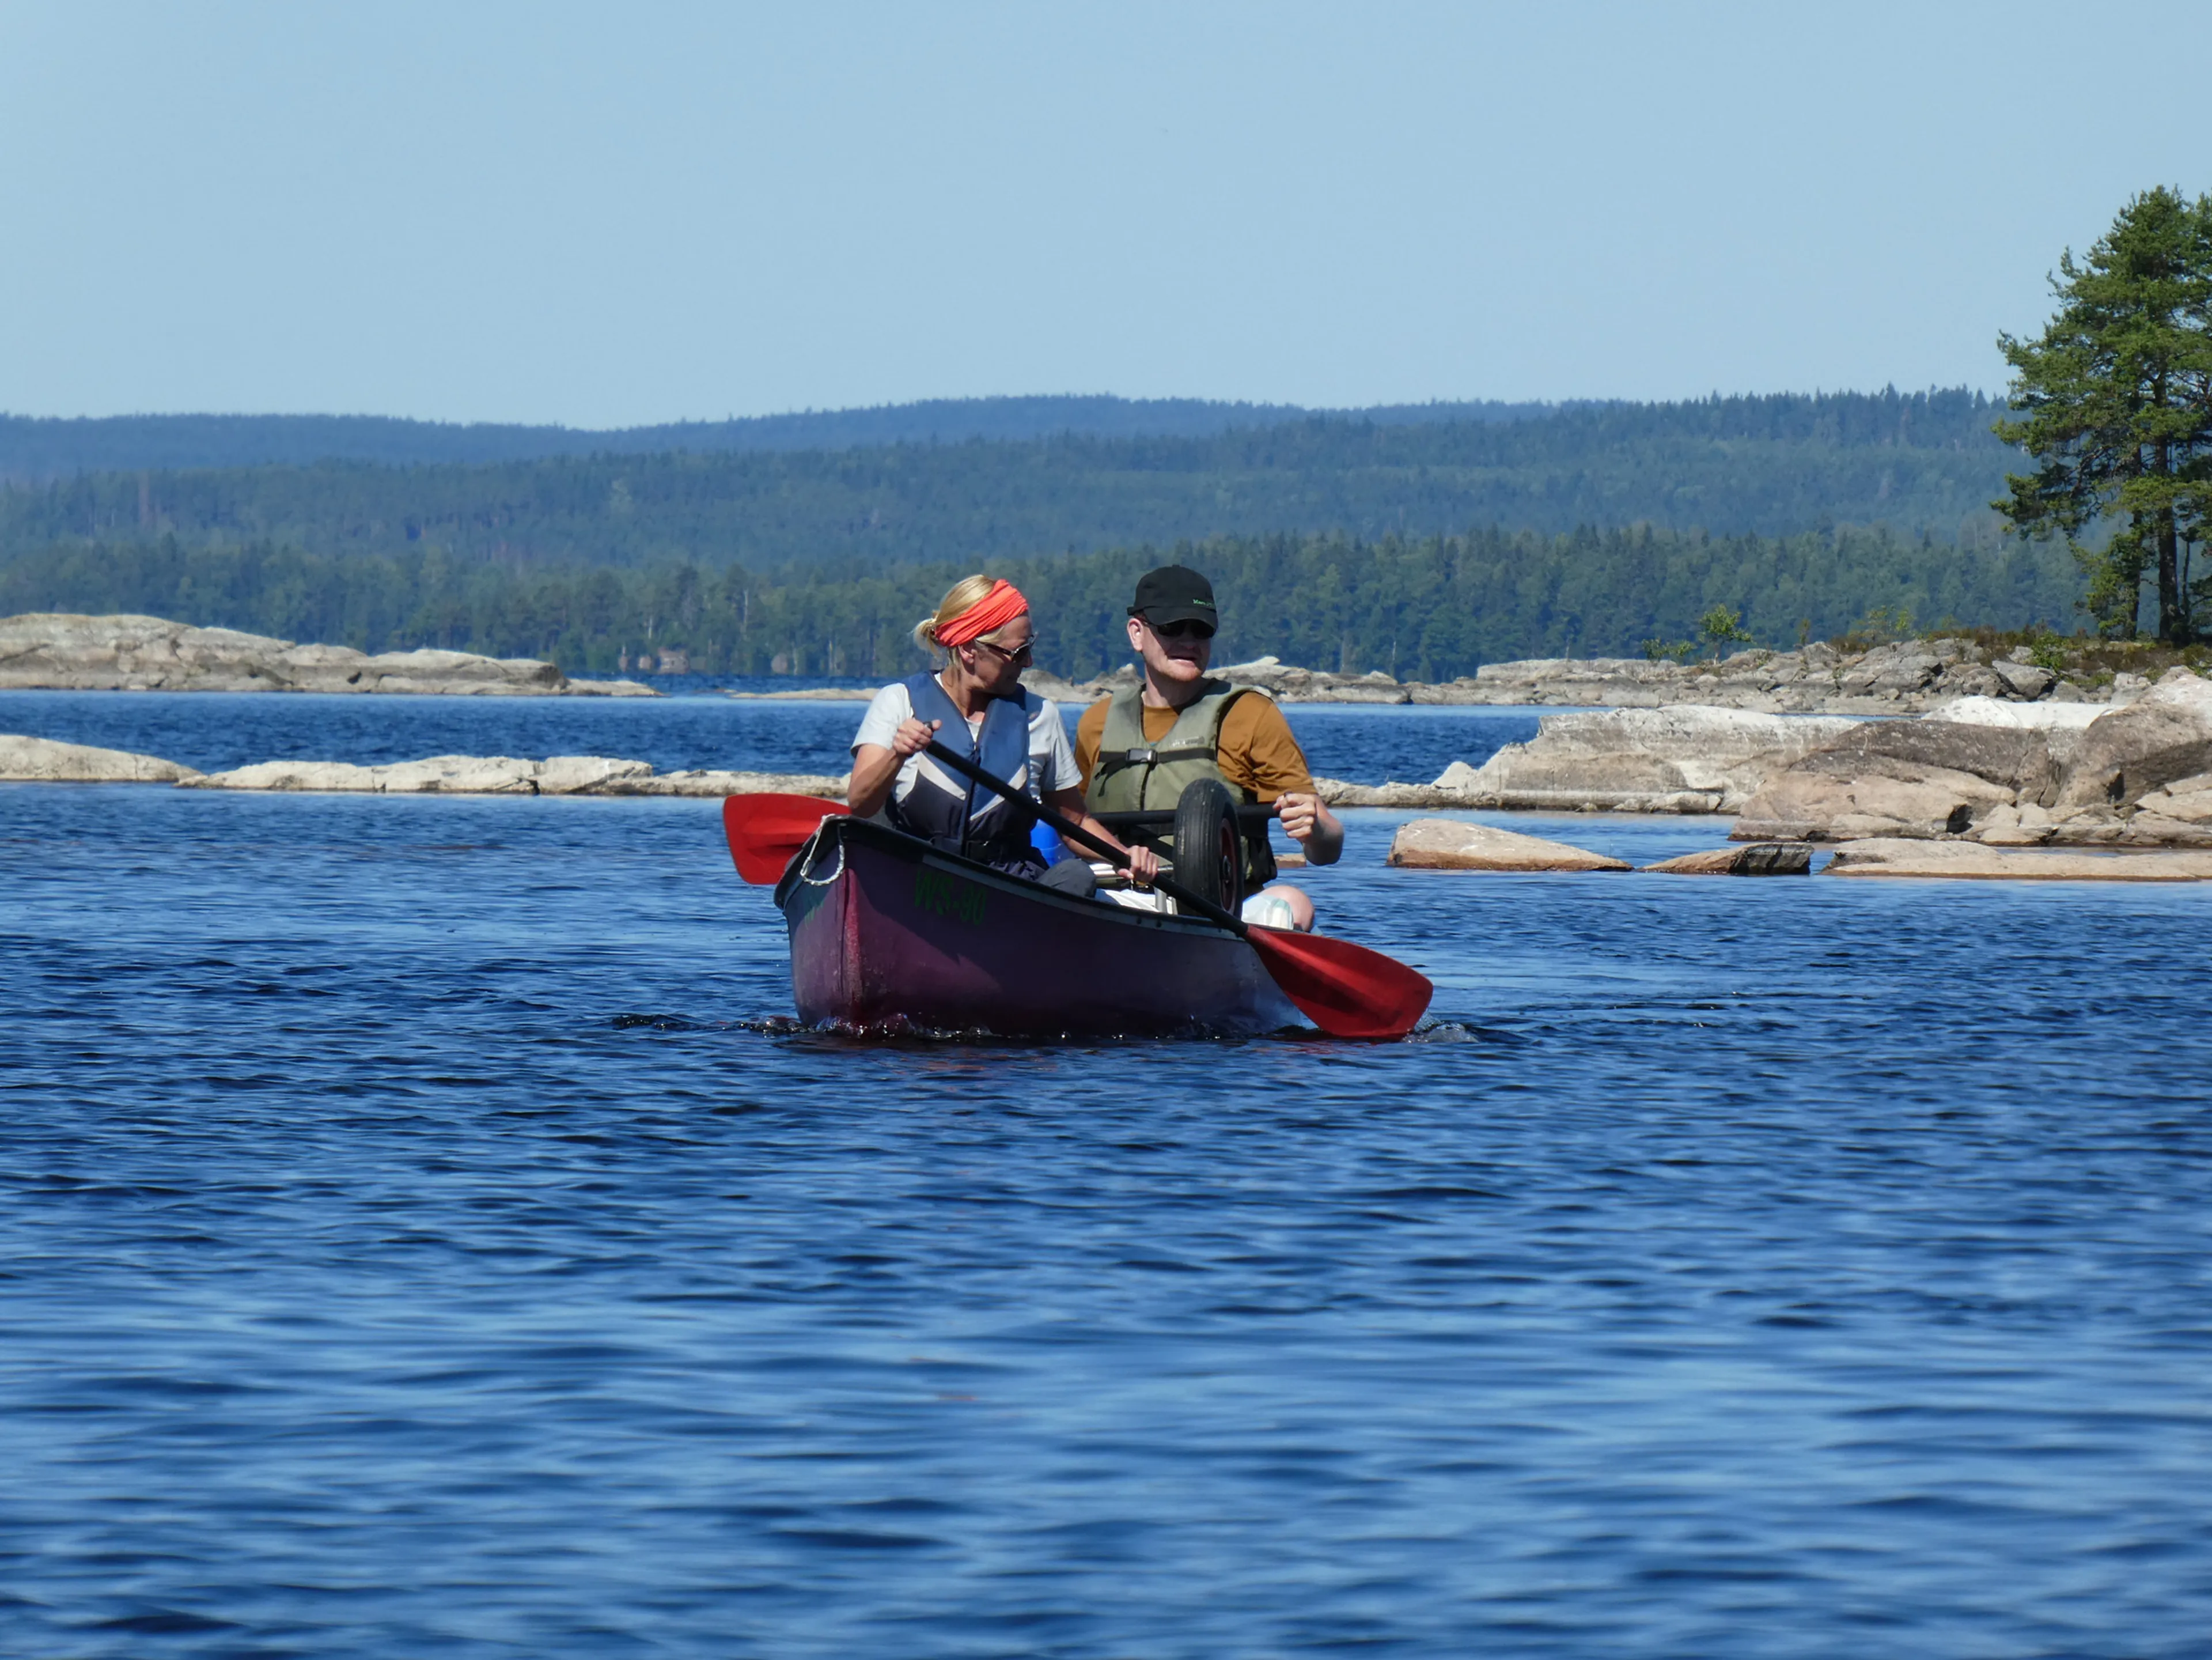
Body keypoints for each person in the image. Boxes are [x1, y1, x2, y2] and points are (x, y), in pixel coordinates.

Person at [850, 574, 1160, 894]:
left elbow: (1075, 822)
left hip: (1007, 886)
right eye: (1018, 652)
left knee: (1077, 878)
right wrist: (897, 754)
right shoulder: (899, 701)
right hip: (918, 878)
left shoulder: (1041, 716)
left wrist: (1123, 856)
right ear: (970, 649)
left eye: (1030, 648)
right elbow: (860, 803)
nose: (1029, 662)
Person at [1076, 565, 1341, 931]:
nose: (1189, 641)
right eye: (1172, 628)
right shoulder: (1097, 723)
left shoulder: (1251, 716)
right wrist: (1122, 856)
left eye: (1201, 630)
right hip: (1117, 900)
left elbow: (1328, 849)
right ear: (1137, 634)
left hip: (1224, 912)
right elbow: (1069, 822)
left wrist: (1316, 831)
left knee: (1295, 904)